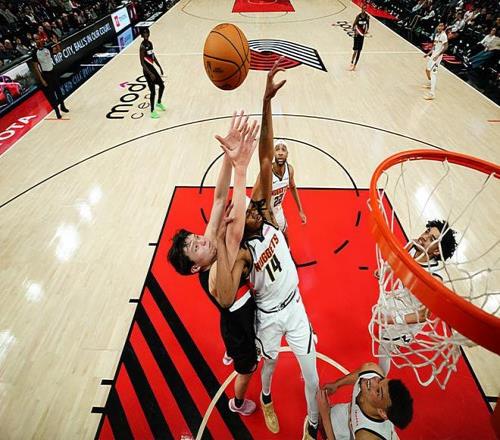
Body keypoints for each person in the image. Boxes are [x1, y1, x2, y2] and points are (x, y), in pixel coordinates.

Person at [216, 59, 320, 440]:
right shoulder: (242, 251)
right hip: (270, 316)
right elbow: (225, 294)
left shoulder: (267, 212)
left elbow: (264, 155)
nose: (251, 209)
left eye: (251, 205)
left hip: (296, 306)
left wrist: (266, 101)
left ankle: (313, 424)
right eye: (243, 211)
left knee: (312, 376)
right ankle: (265, 396)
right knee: (270, 366)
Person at [168, 110, 261, 416]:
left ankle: (228, 351)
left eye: (196, 237)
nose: (202, 239)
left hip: (232, 315)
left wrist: (227, 156)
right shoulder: (216, 269)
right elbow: (235, 226)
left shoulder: (209, 247)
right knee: (247, 368)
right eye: (196, 247)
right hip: (240, 328)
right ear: (196, 267)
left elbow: (220, 199)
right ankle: (238, 404)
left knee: (228, 325)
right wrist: (240, 169)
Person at [374, 219, 458, 375]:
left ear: (437, 251)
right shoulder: (413, 247)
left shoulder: (434, 278)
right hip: (399, 298)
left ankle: (381, 378)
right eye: (427, 232)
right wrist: (384, 270)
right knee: (379, 317)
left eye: (432, 239)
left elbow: (423, 316)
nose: (424, 237)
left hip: (409, 315)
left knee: (383, 347)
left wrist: (394, 320)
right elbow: (397, 261)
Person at [316, 362, 414, 439]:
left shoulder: (367, 436)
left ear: (381, 412)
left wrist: (325, 416)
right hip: (350, 417)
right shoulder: (373, 372)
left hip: (357, 431)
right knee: (320, 420)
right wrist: (336, 384)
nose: (372, 381)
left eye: (378, 391)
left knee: (323, 419)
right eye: (380, 380)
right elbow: (361, 373)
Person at [253, 140, 307, 240]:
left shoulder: (289, 170)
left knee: (285, 235)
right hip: (263, 212)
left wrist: (300, 210)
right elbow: (254, 194)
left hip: (277, 210)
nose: (280, 153)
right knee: (267, 241)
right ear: (273, 153)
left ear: (287, 154)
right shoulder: (266, 172)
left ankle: (287, 250)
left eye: (283, 150)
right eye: (277, 149)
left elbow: (292, 187)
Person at [33, 38, 68, 119]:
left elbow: (58, 51)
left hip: (52, 71)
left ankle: (62, 106)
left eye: (39, 41)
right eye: (37, 42)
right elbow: (36, 67)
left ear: (42, 42)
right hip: (45, 75)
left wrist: (57, 43)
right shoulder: (35, 53)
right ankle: (57, 111)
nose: (39, 43)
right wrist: (42, 80)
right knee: (52, 94)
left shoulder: (47, 48)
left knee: (59, 91)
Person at [139, 27, 165, 119]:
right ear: (142, 35)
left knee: (162, 85)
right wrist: (150, 73)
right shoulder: (142, 47)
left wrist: (159, 66)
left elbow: (153, 56)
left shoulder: (150, 44)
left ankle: (159, 103)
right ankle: (152, 111)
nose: (146, 34)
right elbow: (142, 63)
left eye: (147, 32)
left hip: (152, 68)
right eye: (144, 33)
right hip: (147, 71)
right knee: (153, 91)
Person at [423, 22, 448, 100]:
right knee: (427, 70)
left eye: (441, 26)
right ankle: (431, 83)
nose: (439, 27)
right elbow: (434, 46)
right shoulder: (437, 34)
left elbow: (446, 47)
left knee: (433, 73)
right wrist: (428, 53)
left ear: (443, 27)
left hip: (437, 58)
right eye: (439, 25)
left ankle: (432, 94)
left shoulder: (444, 35)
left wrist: (438, 55)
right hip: (433, 55)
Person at [350, 3, 370, 71]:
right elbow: (354, 24)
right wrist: (354, 30)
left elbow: (368, 25)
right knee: (355, 51)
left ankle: (355, 66)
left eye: (365, 9)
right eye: (363, 8)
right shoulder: (358, 16)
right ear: (361, 9)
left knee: (359, 51)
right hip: (356, 35)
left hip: (362, 35)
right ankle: (352, 61)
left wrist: (366, 31)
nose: (364, 10)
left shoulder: (367, 17)